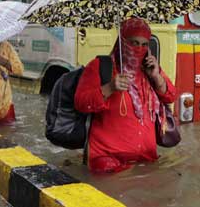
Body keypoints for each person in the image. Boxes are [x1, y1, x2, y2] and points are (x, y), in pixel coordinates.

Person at [74, 18, 176, 173]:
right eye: (134, 43)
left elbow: (171, 97)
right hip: (108, 161)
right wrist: (109, 88)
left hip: (146, 160)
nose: (139, 48)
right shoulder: (100, 67)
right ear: (122, 42)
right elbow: (81, 103)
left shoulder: (149, 70)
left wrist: (157, 76)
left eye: (144, 44)